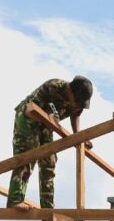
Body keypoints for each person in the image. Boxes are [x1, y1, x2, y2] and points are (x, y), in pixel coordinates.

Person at [7, 76, 94, 211]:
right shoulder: (53, 87)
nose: (77, 106)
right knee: (28, 155)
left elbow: (75, 115)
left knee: (49, 161)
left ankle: (47, 207)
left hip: (47, 124)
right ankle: (15, 200)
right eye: (76, 102)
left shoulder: (78, 101)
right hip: (28, 117)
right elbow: (35, 111)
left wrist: (78, 136)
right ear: (71, 92)